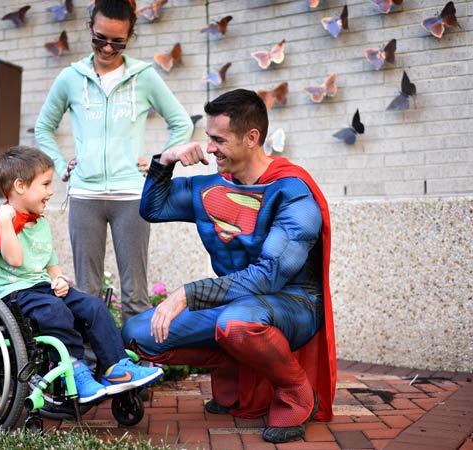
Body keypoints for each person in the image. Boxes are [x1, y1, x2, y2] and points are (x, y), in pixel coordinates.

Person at [121, 89, 336, 443]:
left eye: (218, 139)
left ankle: (297, 393)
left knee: (236, 324)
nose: (209, 148)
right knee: (139, 333)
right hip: (235, 303)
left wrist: (188, 295)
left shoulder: (294, 192)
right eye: (208, 138)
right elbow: (153, 209)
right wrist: (167, 159)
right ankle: (231, 365)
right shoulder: (211, 186)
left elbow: (268, 276)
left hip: (292, 303)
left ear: (252, 138)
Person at [35, 0, 193, 324]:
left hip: (131, 197)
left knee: (136, 293)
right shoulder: (70, 78)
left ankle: (142, 361)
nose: (108, 48)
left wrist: (158, 165)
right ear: (90, 29)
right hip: (85, 196)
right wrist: (61, 165)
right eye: (100, 39)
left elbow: (182, 123)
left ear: (130, 35)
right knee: (88, 293)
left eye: (117, 41)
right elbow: (44, 127)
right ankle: (94, 364)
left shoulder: (144, 77)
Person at [0, 145, 163, 404]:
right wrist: (5, 221)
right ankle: (76, 370)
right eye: (45, 184)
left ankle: (116, 368)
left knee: (92, 305)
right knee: (55, 311)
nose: (50, 191)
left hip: (42, 289)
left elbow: (52, 264)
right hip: (15, 294)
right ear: (21, 186)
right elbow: (15, 260)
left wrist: (58, 278)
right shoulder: (1, 221)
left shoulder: (41, 222)